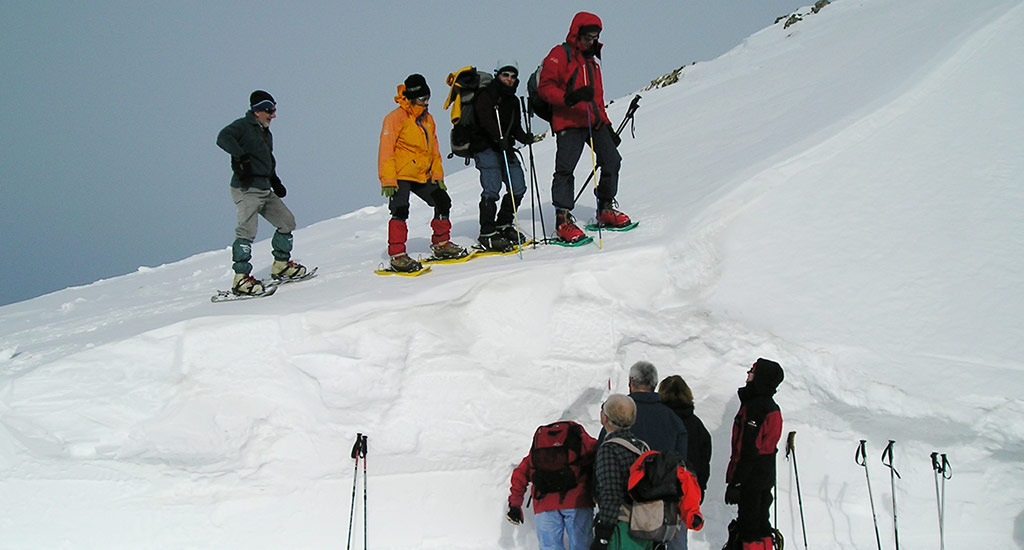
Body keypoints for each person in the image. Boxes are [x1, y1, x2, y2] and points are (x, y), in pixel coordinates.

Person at [537, 11, 631, 244]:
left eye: (595, 36)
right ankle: (562, 220)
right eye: (588, 36)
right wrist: (569, 98)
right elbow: (545, 87)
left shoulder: (592, 62)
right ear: (576, 33)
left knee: (612, 160)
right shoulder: (559, 55)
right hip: (569, 122)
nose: (591, 41)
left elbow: (597, 99)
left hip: (593, 122)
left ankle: (605, 208)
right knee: (566, 169)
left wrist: (606, 125)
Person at [216, 90, 307, 296]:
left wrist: (275, 181)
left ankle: (281, 265)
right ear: (257, 111)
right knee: (246, 232)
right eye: (269, 110)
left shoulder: (265, 132)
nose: (273, 115)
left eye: (274, 110)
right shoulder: (242, 126)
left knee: (287, 222)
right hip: (247, 188)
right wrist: (240, 157)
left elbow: (267, 160)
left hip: (265, 187)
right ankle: (241, 279)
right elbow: (223, 138)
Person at [378, 74, 467, 272]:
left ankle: (441, 244)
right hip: (400, 174)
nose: (426, 103)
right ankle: (397, 255)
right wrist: (388, 179)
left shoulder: (428, 119)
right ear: (410, 97)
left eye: (428, 98)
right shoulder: (395, 118)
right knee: (400, 209)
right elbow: (386, 149)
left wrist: (437, 175)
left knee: (443, 201)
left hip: (422, 174)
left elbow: (434, 150)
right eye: (422, 99)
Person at [599, 361, 688, 550]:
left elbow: (602, 472)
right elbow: (681, 464)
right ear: (654, 383)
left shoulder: (618, 418)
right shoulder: (673, 420)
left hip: (625, 516)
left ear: (631, 381)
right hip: (663, 512)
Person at [470, 61, 534, 251]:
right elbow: (484, 121)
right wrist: (497, 138)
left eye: (513, 76)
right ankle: (487, 232)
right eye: (506, 75)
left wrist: (525, 137)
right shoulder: (486, 95)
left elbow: (515, 127)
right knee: (492, 189)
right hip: (486, 147)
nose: (509, 79)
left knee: (518, 187)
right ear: (498, 75)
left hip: (505, 148)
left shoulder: (513, 100)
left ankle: (503, 224)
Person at [507, 421, 598, 550]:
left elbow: (520, 473)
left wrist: (515, 503)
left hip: (544, 503)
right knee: (581, 545)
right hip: (577, 501)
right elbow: (599, 453)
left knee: (549, 547)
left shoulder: (540, 448)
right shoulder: (579, 438)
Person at [724, 359, 785, 550]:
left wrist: (737, 482)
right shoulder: (771, 406)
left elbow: (747, 448)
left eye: (752, 372)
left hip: (751, 478)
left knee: (749, 527)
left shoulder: (756, 407)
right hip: (764, 476)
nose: (748, 375)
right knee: (761, 525)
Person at [591, 394, 651, 550]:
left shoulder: (609, 449)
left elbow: (610, 493)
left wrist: (603, 533)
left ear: (605, 418)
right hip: (645, 525)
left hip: (622, 527)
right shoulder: (642, 447)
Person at [658, 375, 712, 501]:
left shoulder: (658, 421)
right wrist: (700, 487)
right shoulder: (697, 425)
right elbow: (704, 459)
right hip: (689, 490)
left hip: (659, 491)